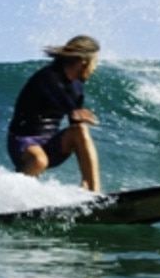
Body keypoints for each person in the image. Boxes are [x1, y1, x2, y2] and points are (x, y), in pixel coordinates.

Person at [7, 35, 101, 192]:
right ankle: (10, 196)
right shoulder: (47, 76)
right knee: (38, 161)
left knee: (80, 130)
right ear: (84, 61)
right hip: (23, 142)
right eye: (95, 62)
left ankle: (93, 191)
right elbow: (58, 95)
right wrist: (73, 111)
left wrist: (75, 117)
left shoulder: (78, 88)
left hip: (50, 143)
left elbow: (75, 125)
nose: (95, 68)